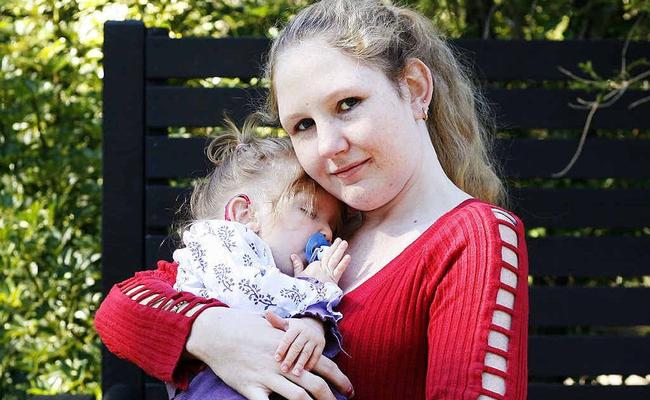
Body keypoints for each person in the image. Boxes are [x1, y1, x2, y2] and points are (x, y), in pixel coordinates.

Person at [95, 1, 529, 399]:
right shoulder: (323, 231)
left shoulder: (474, 235)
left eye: (347, 104)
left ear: (415, 89)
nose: (327, 146)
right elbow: (122, 307)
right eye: (302, 125)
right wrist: (215, 333)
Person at [167, 118, 350, 399]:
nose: (325, 232)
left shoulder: (266, 270)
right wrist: (315, 287)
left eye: (332, 227)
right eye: (309, 212)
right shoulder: (217, 239)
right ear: (244, 214)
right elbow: (248, 296)